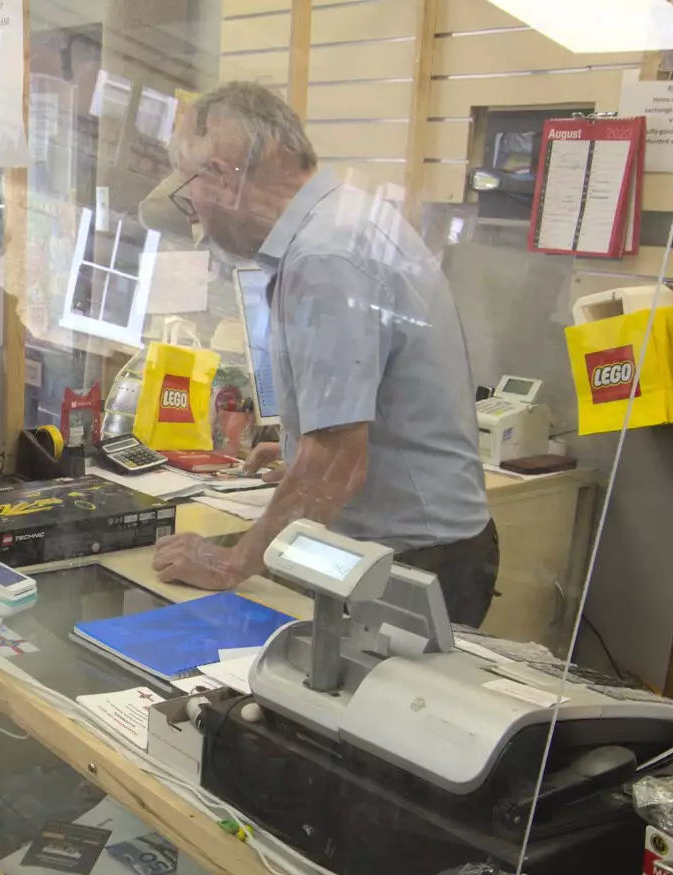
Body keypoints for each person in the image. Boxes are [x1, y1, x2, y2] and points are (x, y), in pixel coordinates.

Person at [152, 82, 498, 628]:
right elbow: (363, 422)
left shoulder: (324, 256)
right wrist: (298, 460)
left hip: (411, 561)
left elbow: (338, 459)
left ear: (222, 178)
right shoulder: (345, 217)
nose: (193, 206)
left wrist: (230, 562)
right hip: (426, 547)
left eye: (190, 189)